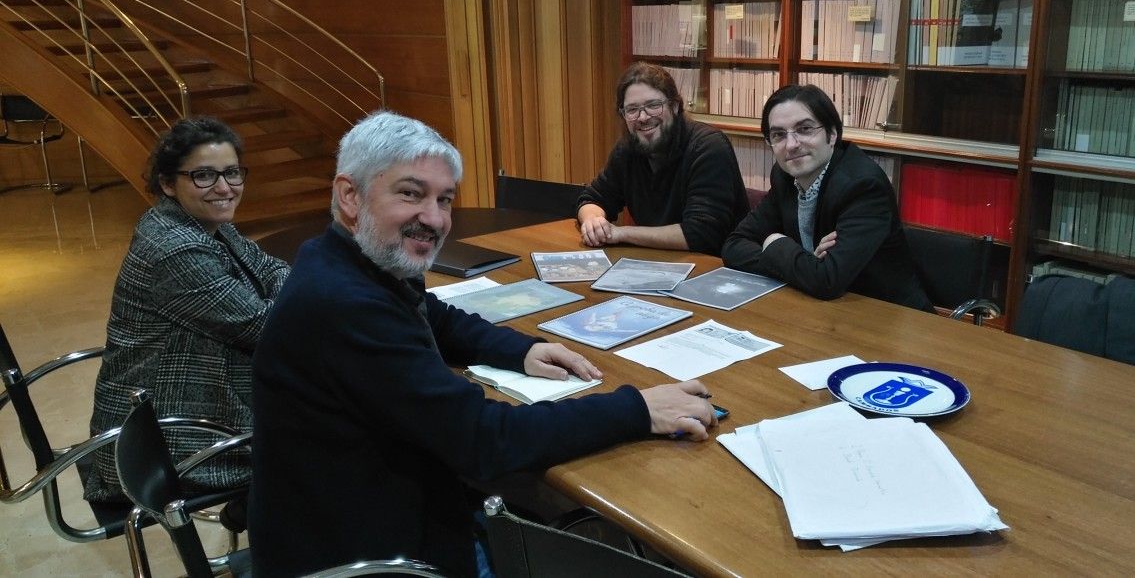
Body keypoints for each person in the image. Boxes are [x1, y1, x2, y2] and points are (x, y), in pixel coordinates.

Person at [249, 111, 716, 578]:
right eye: (411, 193)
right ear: (349, 195)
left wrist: (520, 350)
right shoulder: (345, 303)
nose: (433, 218)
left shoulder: (341, 259)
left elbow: (435, 316)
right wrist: (636, 410)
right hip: (371, 554)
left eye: (444, 199)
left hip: (372, 506)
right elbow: (483, 439)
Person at [85, 116, 290, 502]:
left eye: (232, 172)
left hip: (188, 413)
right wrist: (282, 300)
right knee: (337, 434)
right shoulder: (174, 247)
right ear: (167, 183)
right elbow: (264, 327)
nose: (224, 187)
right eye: (203, 176)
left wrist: (277, 294)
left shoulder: (204, 224)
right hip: (165, 441)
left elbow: (274, 268)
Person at [722, 85, 933, 312]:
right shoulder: (784, 176)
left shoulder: (863, 186)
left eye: (804, 129)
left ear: (832, 135)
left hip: (889, 318)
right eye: (778, 135)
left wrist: (775, 244)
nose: (791, 145)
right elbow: (734, 246)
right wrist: (805, 263)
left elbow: (827, 281)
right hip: (825, 312)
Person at [576, 62, 749, 256]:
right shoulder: (628, 148)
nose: (642, 117)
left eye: (653, 106)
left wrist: (621, 233)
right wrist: (592, 221)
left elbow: (701, 233)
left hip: (717, 269)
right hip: (659, 263)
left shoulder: (708, 147)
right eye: (632, 110)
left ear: (675, 106)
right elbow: (592, 198)